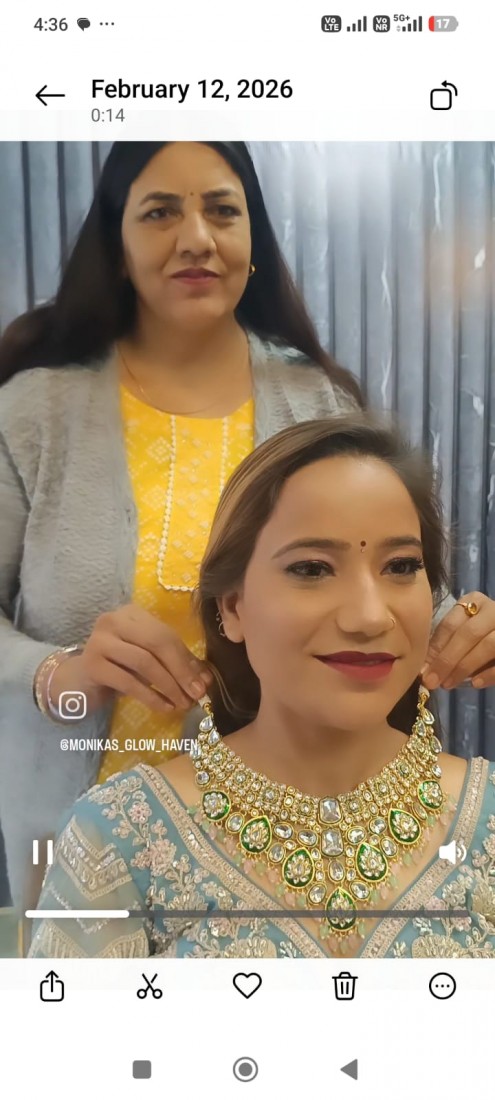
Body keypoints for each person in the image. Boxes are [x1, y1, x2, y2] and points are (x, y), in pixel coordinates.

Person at [0, 141, 494, 912]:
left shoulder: (317, 401)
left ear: (253, 240)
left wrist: (457, 626)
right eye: (160, 212)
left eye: (222, 211)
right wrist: (55, 673)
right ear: (116, 247)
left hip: (281, 834)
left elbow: (383, 589)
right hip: (80, 837)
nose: (196, 237)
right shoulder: (33, 413)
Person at [29, 414, 495, 959]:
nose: (370, 616)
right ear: (232, 608)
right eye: (312, 569)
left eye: (401, 566)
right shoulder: (117, 838)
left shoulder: (484, 818)